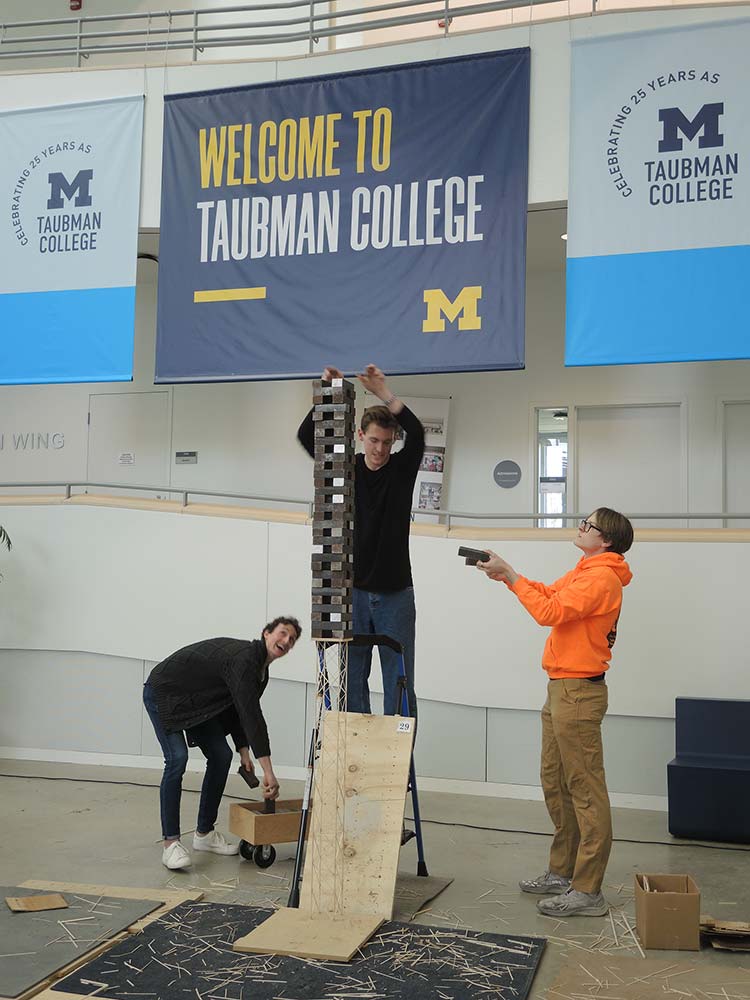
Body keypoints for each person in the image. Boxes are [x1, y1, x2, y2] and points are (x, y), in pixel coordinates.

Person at [476, 509, 633, 917]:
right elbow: (548, 595)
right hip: (563, 688)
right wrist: (508, 576)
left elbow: (549, 613)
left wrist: (510, 576)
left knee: (585, 790)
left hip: (579, 694)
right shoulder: (586, 568)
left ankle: (588, 890)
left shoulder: (601, 578)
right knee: (556, 780)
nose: (581, 528)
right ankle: (562, 871)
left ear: (607, 539)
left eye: (588, 525)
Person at [297, 364, 424, 720]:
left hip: (396, 594)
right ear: (359, 435)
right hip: (352, 593)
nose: (380, 449)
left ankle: (396, 764)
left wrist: (384, 392)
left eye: (386, 442)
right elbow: (308, 437)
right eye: (373, 440)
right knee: (352, 681)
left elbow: (417, 434)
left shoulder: (401, 471)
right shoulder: (345, 468)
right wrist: (327, 388)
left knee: (399, 680)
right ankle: (358, 760)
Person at [143, 616, 301, 870]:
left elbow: (238, 709)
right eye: (282, 633)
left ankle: (204, 834)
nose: (286, 641)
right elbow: (252, 717)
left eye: (291, 640)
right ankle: (170, 844)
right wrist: (268, 772)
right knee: (177, 758)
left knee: (220, 756)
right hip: (165, 692)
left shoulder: (260, 671)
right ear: (266, 633)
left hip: (197, 703)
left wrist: (244, 751)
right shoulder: (245, 659)